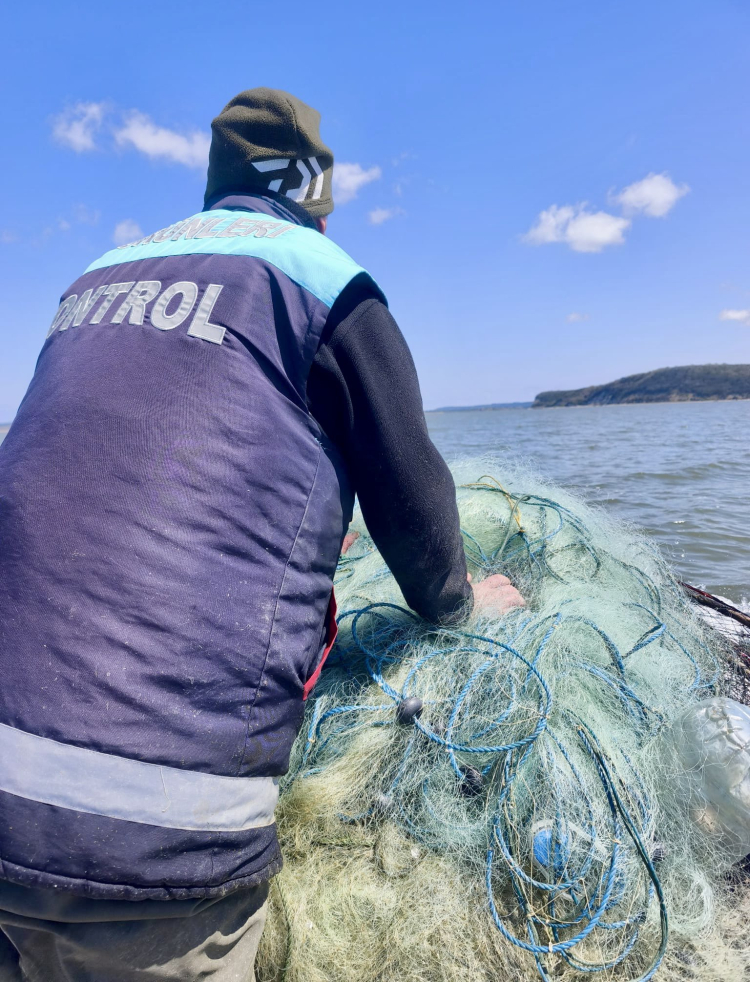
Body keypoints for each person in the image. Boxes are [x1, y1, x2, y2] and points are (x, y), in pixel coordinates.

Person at [0, 88, 523, 981]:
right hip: (146, 852)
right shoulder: (325, 283)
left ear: (216, 187)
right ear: (317, 198)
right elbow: (417, 512)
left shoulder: (92, 280)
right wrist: (466, 601)